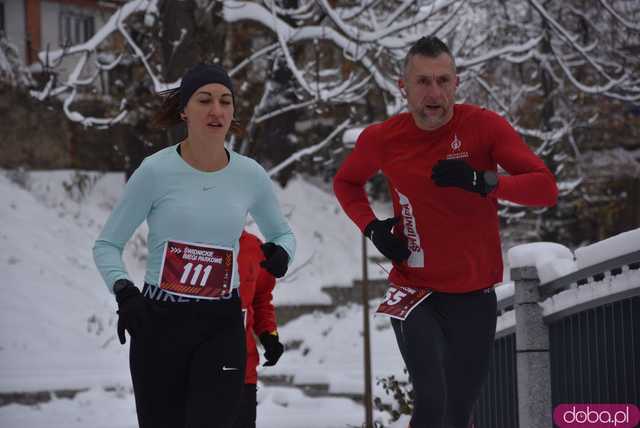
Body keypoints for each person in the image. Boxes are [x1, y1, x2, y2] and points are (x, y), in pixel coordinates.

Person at [333, 36, 558, 428]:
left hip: (474, 296)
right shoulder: (383, 138)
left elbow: (545, 187)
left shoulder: (484, 128)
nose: (433, 93)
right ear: (403, 87)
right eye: (422, 82)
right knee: (432, 402)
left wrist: (484, 180)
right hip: (414, 288)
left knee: (457, 412)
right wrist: (372, 229)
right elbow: (346, 183)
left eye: (442, 80)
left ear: (456, 83)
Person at [93, 63, 295, 428]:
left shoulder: (249, 175)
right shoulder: (155, 172)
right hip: (158, 325)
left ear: (233, 111)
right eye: (205, 100)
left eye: (225, 101)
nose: (216, 110)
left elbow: (283, 235)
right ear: (185, 109)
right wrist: (125, 292)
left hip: (220, 324)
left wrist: (283, 254)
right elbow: (107, 244)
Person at [233, 230, 285, 428]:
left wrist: (268, 335)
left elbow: (261, 299)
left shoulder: (253, 247)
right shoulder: (192, 241)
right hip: (199, 370)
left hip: (242, 371)